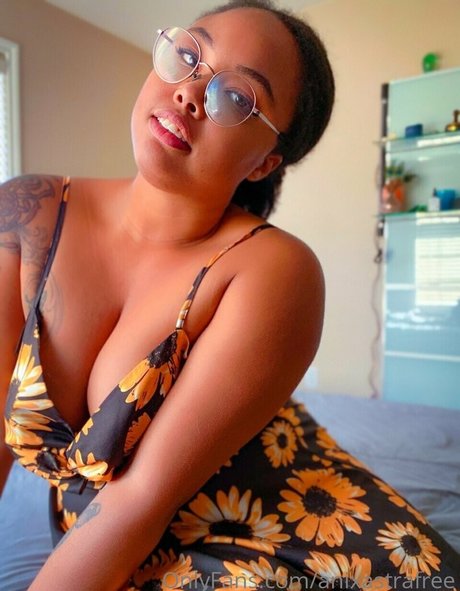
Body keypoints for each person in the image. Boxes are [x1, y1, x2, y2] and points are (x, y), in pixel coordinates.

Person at [0, 1, 459, 589]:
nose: (191, 91)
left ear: (264, 163)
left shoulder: (274, 268)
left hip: (285, 529)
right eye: (188, 55)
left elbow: (140, 498)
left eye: (237, 96)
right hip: (109, 540)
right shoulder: (28, 212)